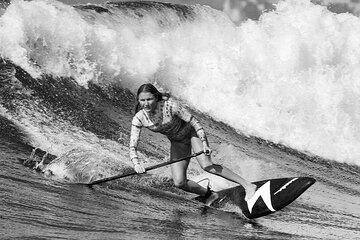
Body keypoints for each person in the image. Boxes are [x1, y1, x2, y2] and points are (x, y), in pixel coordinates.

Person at [129, 83, 256, 206]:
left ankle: (247, 185)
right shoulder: (139, 118)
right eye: (142, 100)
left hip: (192, 134)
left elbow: (195, 122)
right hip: (177, 142)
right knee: (179, 182)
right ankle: (210, 194)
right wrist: (136, 164)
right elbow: (133, 145)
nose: (146, 103)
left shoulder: (170, 106)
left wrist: (205, 144)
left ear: (156, 97)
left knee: (207, 165)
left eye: (149, 99)